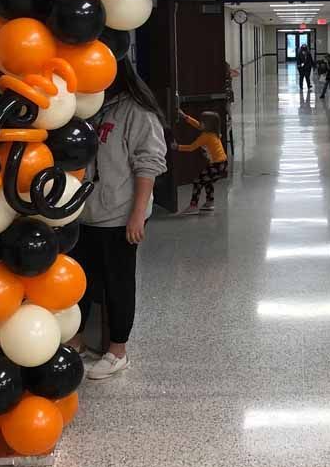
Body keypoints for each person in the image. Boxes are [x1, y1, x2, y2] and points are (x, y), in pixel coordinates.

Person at [66, 59, 167, 380]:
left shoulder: (137, 113)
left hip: (119, 216)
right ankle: (77, 341)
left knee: (117, 284)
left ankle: (117, 351)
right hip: (82, 214)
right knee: (80, 283)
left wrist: (137, 215)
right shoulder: (87, 108)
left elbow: (148, 164)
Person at [175, 109, 228, 214]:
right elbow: (198, 125)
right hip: (222, 164)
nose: (200, 123)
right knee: (207, 180)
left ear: (208, 125)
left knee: (198, 181)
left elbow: (191, 147)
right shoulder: (214, 132)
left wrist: (177, 147)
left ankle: (193, 206)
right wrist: (185, 117)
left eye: (203, 122)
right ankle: (209, 202)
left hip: (216, 165)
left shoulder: (205, 136)